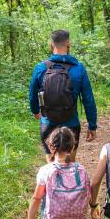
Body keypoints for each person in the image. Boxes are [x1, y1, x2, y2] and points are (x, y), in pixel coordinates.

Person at [29, 29, 97, 163]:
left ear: (51, 44)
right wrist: (92, 125)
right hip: (71, 123)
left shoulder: (41, 67)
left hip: (48, 122)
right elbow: (88, 100)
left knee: (51, 166)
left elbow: (32, 94)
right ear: (68, 44)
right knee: (69, 163)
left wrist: (35, 111)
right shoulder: (79, 68)